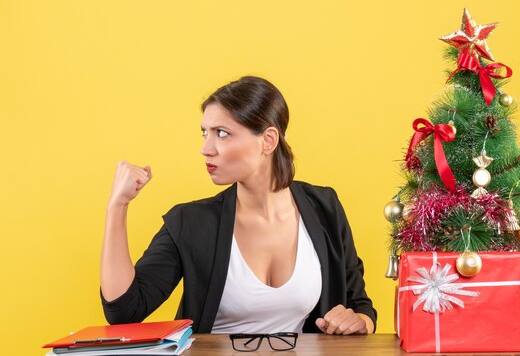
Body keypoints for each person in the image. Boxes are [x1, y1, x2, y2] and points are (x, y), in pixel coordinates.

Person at [100, 76, 376, 335]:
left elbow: (359, 305)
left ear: (268, 140)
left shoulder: (324, 206)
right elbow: (124, 311)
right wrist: (117, 206)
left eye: (221, 133)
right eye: (204, 133)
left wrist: (360, 322)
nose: (206, 148)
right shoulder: (190, 222)